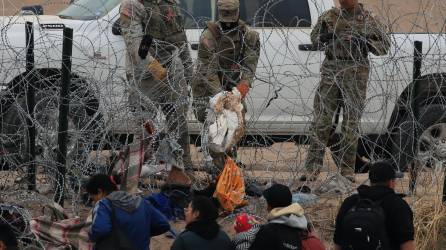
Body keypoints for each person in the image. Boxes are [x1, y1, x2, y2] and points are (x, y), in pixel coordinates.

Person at [302, 0, 391, 181]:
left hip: (356, 72)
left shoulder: (368, 19)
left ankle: (347, 170)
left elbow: (384, 46)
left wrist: (365, 43)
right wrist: (324, 38)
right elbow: (314, 38)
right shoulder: (329, 16)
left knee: (351, 124)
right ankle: (312, 169)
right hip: (331, 70)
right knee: (322, 121)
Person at [120, 0, 193, 172]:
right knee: (144, 131)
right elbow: (135, 46)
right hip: (144, 77)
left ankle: (184, 172)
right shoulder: (132, 6)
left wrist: (188, 71)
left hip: (172, 71)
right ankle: (132, 178)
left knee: (179, 125)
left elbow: (180, 39)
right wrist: (157, 70)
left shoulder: (169, 3)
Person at [192, 0, 260, 171]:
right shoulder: (209, 36)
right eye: (225, 16)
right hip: (207, 86)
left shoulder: (249, 35)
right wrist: (221, 98)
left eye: (231, 16)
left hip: (232, 85)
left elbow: (249, 65)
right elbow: (209, 70)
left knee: (235, 121)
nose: (228, 21)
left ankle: (228, 163)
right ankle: (216, 165)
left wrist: (242, 87)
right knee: (215, 122)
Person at [333, 161, 415, 250]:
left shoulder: (350, 202)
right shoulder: (398, 205)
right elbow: (407, 244)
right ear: (391, 182)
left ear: (371, 181)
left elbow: (338, 242)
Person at [86, 174, 170, 250]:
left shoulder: (104, 204)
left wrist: (88, 233)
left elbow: (100, 230)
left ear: (100, 191)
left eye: (93, 198)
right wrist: (142, 234)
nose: (93, 203)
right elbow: (164, 224)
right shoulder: (142, 202)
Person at [249, 184, 315, 250]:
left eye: (267, 202)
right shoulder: (304, 229)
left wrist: (256, 230)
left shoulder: (268, 232)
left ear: (269, 206)